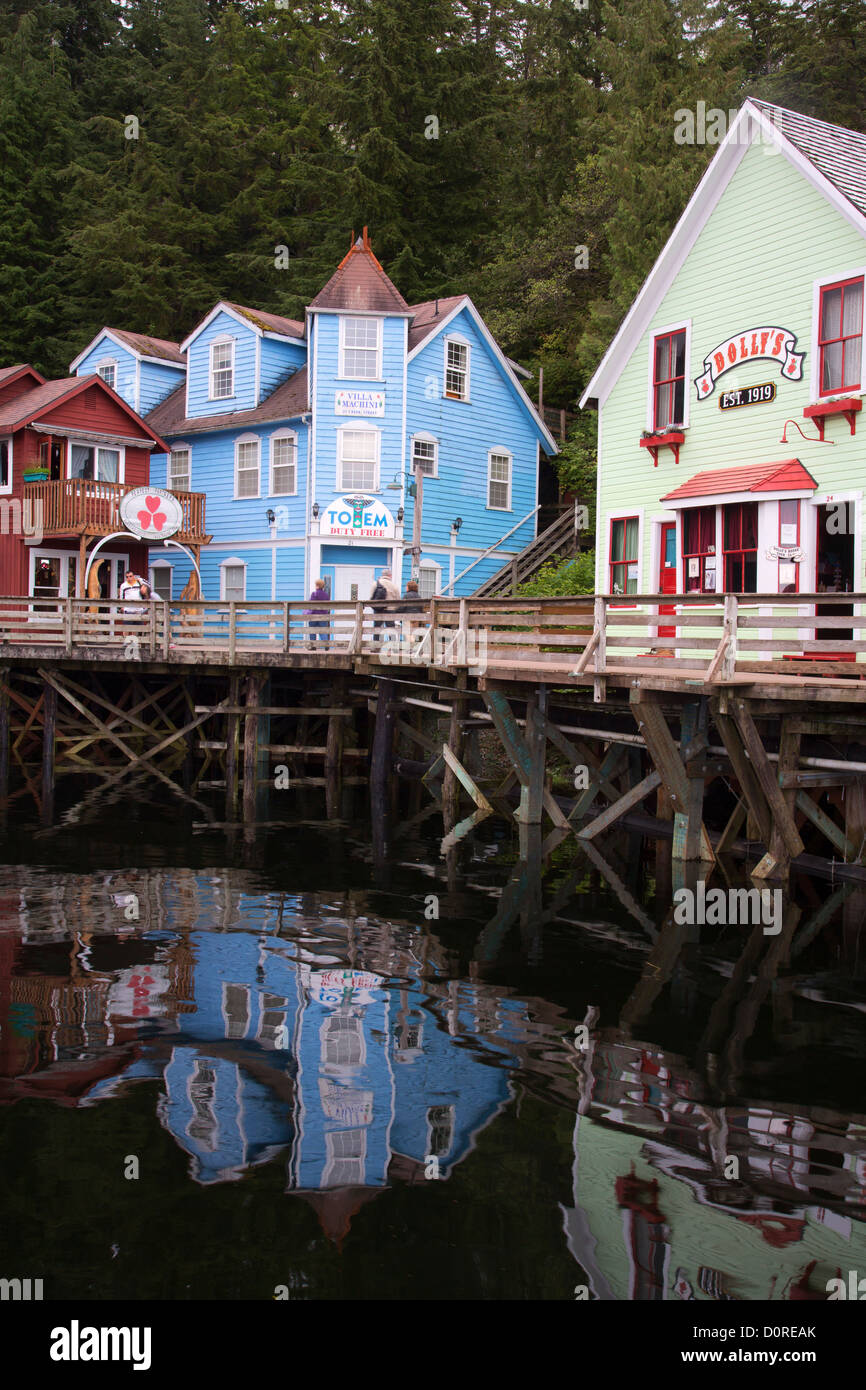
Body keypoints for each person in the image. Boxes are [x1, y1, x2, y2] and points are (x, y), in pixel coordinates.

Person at [370, 568, 400, 643]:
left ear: (382, 575)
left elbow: (371, 597)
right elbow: (398, 600)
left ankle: (376, 647)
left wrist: (375, 606)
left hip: (378, 609)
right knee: (391, 629)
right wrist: (394, 608)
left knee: (377, 628)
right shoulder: (393, 586)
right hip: (390, 610)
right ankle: (393, 647)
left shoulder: (376, 584)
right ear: (390, 575)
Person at [307, 578, 330, 649]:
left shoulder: (314, 594)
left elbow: (311, 604)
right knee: (323, 630)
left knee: (312, 630)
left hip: (314, 615)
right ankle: (326, 645)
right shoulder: (326, 595)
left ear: (317, 586)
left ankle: (313, 646)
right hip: (323, 615)